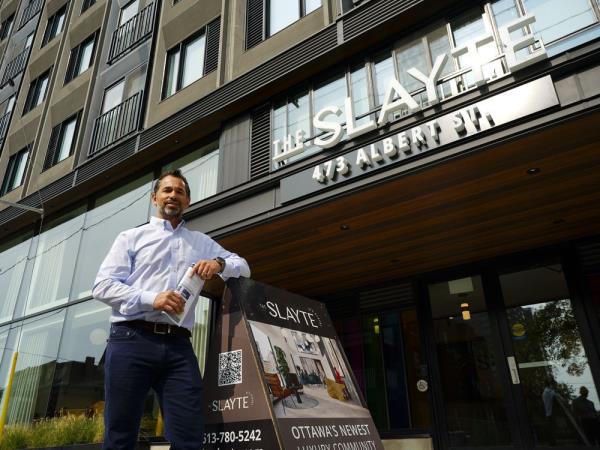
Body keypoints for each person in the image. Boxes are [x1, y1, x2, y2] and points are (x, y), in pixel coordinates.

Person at [93, 169, 250, 450]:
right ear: (154, 198)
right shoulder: (131, 237)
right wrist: (151, 298)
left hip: (178, 347)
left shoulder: (201, 242)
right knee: (120, 436)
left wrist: (219, 264)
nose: (173, 195)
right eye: (167, 190)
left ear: (187, 200)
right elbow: (102, 286)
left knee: (189, 437)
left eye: (180, 191)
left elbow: (244, 267)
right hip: (131, 340)